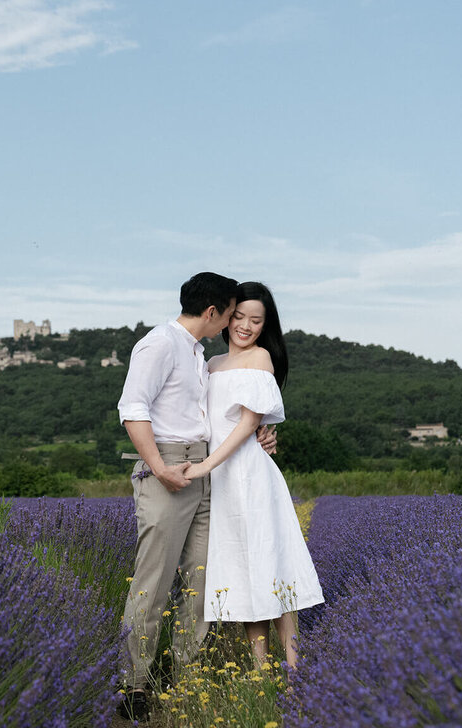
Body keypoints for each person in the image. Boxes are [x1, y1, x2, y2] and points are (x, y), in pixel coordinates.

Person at [115, 273, 276, 721]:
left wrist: (261, 436)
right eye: (229, 312)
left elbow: (219, 414)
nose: (232, 321)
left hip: (205, 469)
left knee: (202, 582)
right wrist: (159, 467)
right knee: (154, 579)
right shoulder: (159, 345)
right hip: (166, 465)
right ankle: (133, 684)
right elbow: (133, 409)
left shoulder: (198, 354)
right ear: (212, 313)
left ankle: (186, 676)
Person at [184, 282, 324, 668]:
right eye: (240, 316)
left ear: (266, 325)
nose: (246, 326)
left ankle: (294, 666)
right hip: (221, 483)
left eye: (256, 320)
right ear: (226, 317)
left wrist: (205, 466)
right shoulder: (210, 366)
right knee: (242, 569)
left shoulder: (261, 358)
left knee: (269, 562)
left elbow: (248, 425)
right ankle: (261, 671)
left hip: (248, 475)